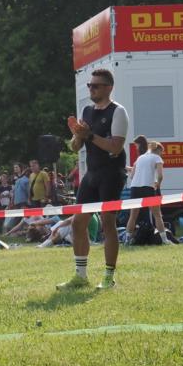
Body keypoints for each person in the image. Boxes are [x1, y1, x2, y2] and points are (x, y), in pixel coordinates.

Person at [59, 68, 129, 290]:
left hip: (112, 174)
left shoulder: (118, 112)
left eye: (96, 86)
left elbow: (115, 147)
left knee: (108, 224)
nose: (91, 89)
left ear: (108, 88)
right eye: (90, 85)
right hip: (92, 174)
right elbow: (75, 146)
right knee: (78, 223)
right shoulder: (87, 111)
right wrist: (78, 135)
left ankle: (109, 277)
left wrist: (88, 135)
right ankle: (80, 275)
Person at [126, 137, 170, 244]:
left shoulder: (140, 158)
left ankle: (127, 240)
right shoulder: (157, 158)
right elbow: (160, 176)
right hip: (148, 188)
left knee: (133, 216)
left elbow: (132, 176)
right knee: (157, 215)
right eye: (162, 152)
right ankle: (165, 240)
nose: (161, 155)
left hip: (135, 188)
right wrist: (158, 184)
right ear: (159, 150)